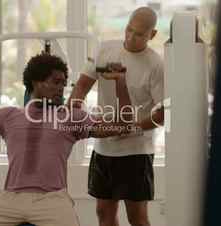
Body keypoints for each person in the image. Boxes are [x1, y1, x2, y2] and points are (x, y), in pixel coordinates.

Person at [0, 53, 136, 226]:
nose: (61, 88)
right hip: (10, 198)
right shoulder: (8, 116)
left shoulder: (71, 117)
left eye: (63, 83)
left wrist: (119, 81)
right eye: (55, 82)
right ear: (35, 82)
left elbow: (123, 125)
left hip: (51, 199)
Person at [68, 6, 164, 226]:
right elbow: (82, 86)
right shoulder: (105, 49)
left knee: (137, 217)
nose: (131, 37)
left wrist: (132, 128)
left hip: (136, 152)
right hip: (104, 147)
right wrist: (71, 113)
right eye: (129, 30)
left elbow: (163, 113)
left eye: (139, 34)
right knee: (103, 212)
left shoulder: (156, 64)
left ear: (153, 35)